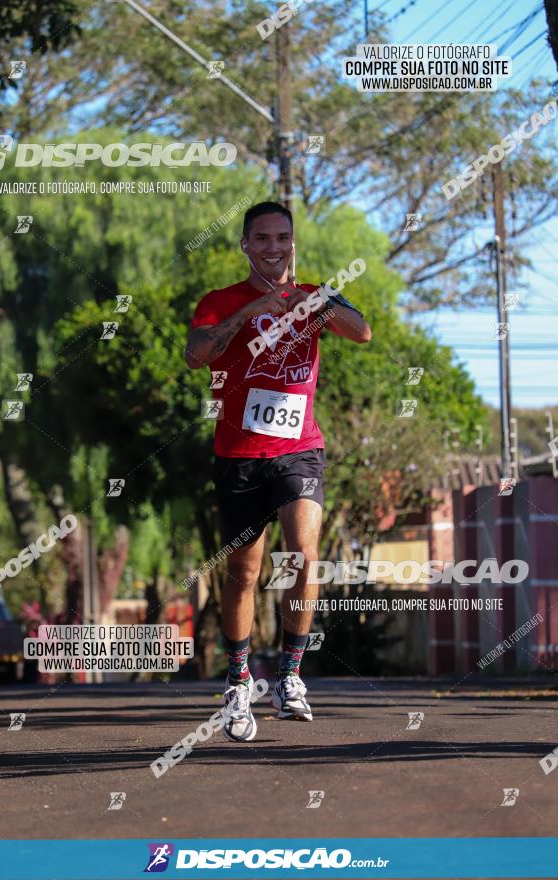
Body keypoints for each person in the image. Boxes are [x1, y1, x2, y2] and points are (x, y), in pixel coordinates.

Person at [185, 201, 371, 742]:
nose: (273, 247)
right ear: (245, 245)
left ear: (293, 242)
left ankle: (290, 675)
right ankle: (239, 678)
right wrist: (256, 309)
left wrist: (314, 302)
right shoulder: (219, 302)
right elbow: (197, 355)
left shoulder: (316, 296)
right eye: (262, 238)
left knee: (304, 557)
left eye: (282, 238)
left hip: (299, 450)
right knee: (244, 572)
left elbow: (362, 333)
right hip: (239, 455)